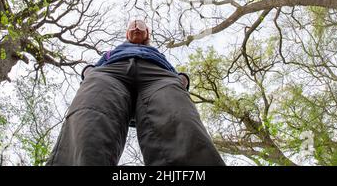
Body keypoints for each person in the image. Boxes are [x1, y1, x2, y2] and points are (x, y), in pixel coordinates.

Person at [46, 19, 225, 166]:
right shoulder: (112, 52)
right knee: (89, 117)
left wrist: (181, 79)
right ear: (127, 33)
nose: (137, 27)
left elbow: (171, 69)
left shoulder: (156, 52)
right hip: (111, 71)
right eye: (133, 25)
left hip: (157, 74)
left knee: (179, 117)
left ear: (147, 33)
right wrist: (89, 71)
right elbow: (98, 64)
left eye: (141, 26)